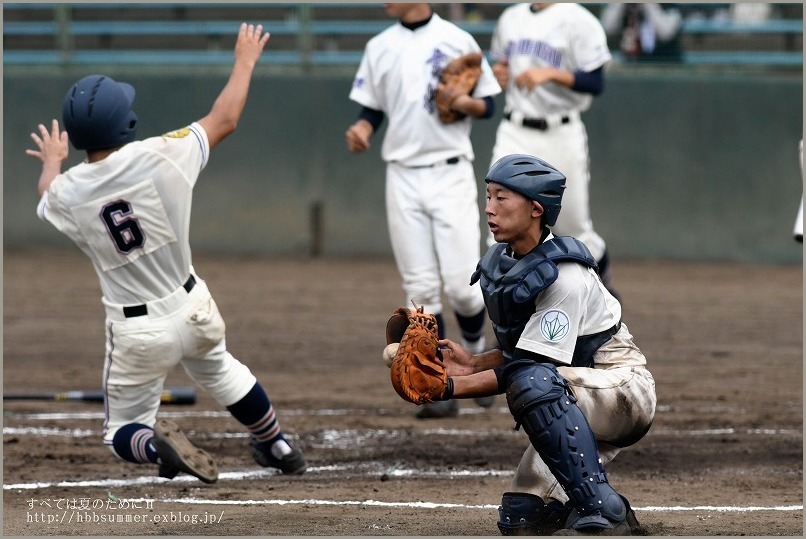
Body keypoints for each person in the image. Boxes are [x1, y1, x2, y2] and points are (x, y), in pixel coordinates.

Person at [25, 23, 307, 484]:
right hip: (193, 305)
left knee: (121, 430)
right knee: (225, 373)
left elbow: (47, 191)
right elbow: (226, 117)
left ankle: (157, 447)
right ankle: (275, 442)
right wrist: (245, 60)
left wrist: (53, 161)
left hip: (137, 331)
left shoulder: (69, 193)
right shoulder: (164, 154)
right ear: (126, 123)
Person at [437, 154, 657, 535]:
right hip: (571, 388)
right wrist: (472, 364)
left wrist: (449, 387)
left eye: (501, 198)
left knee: (532, 383)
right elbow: (525, 353)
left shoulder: (564, 276)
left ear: (536, 208)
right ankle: (590, 505)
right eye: (488, 196)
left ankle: (605, 511)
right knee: (522, 517)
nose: (488, 208)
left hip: (621, 388)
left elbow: (530, 368)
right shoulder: (508, 262)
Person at [345, 3, 502, 419]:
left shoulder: (456, 38)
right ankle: (438, 381)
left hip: (449, 170)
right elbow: (372, 107)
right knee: (419, 287)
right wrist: (363, 127)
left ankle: (474, 359)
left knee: (464, 285)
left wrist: (463, 102)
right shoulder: (379, 46)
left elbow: (489, 104)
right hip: (401, 174)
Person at [488, 3, 621, 298]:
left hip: (560, 130)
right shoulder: (511, 18)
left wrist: (550, 73)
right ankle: (510, 318)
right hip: (515, 129)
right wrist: (500, 73)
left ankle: (604, 292)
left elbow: (595, 82)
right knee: (500, 228)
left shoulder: (578, 20)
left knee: (573, 228)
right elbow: (502, 65)